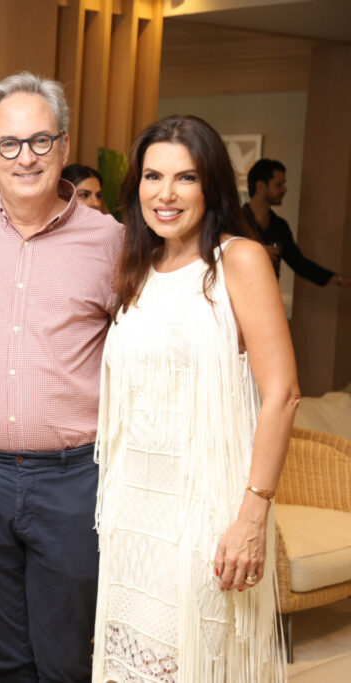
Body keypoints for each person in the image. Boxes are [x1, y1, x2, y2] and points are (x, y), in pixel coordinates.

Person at [0, 72, 123, 682]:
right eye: (9, 143)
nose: (26, 157)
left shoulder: (111, 242)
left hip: (72, 481)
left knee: (65, 662)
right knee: (3, 657)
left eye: (41, 140)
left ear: (63, 146)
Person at [92, 115, 293, 682]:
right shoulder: (138, 266)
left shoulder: (239, 259)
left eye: (186, 178)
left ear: (212, 186)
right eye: (153, 176)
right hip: (134, 509)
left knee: (196, 660)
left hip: (205, 508)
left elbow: (282, 394)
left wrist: (252, 516)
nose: (166, 194)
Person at [242, 158, 347, 288]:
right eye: (279, 185)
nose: (285, 190)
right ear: (260, 186)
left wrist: (341, 280)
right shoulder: (236, 221)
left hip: (268, 296)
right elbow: (222, 257)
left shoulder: (279, 226)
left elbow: (300, 264)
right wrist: (257, 252)